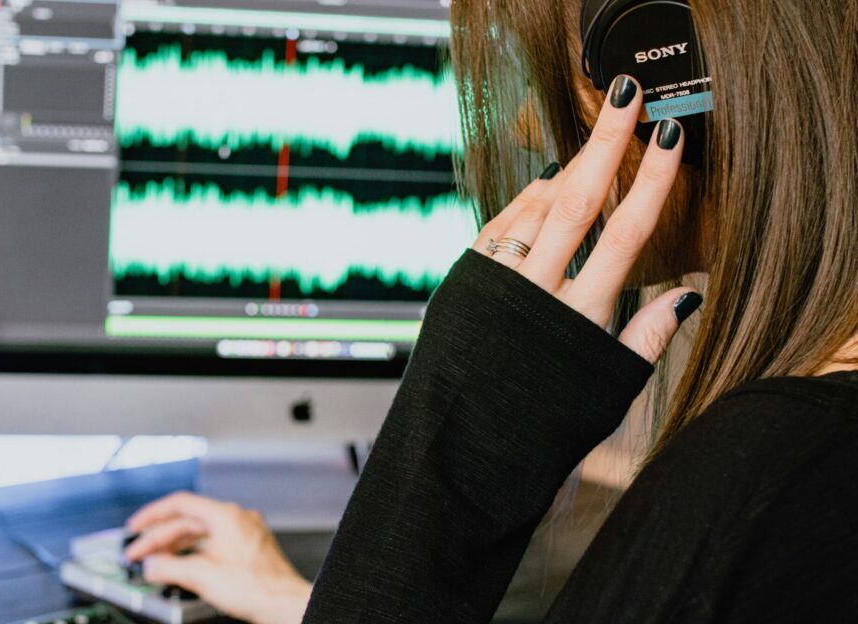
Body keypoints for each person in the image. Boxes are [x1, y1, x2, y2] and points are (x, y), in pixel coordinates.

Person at [125, 1, 858, 622]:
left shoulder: (759, 475)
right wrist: (311, 601)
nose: (521, 130)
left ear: (673, 73)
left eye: (554, 74)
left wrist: (460, 443)